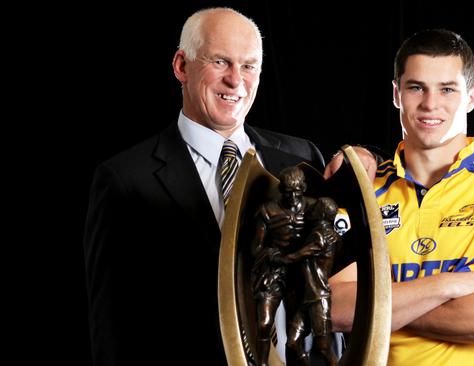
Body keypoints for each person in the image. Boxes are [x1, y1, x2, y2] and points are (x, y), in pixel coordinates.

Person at [83, 8, 327, 366]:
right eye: (220, 62)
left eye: (248, 66)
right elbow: (111, 326)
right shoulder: (124, 180)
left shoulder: (300, 159)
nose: (236, 80)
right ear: (182, 66)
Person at [328, 29, 474, 365]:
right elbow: (333, 308)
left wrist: (379, 309)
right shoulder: (364, 186)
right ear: (396, 94)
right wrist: (447, 286)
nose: (430, 104)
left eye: (447, 89)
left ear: (471, 97)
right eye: (416, 87)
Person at [250, 166, 316, 366]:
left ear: (304, 187)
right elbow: (256, 247)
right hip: (275, 271)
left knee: (296, 331)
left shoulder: (313, 207)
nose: (293, 197)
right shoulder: (268, 210)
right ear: (281, 190)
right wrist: (275, 255)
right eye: (288, 192)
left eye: (297, 191)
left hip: (302, 273)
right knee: (263, 323)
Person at [285, 197, 341, 366]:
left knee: (323, 348)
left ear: (322, 213)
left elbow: (296, 255)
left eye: (316, 207)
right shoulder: (328, 234)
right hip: (308, 297)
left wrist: (275, 257)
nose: (312, 208)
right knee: (293, 343)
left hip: (318, 298)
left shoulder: (319, 236)